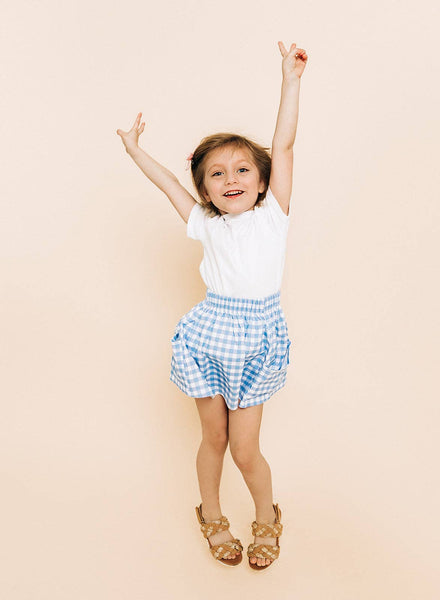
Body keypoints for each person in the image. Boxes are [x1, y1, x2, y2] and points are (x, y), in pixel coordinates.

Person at [117, 40, 308, 569]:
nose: (231, 179)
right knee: (214, 439)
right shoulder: (204, 221)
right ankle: (213, 514)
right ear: (205, 189)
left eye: (242, 170)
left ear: (263, 181)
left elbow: (284, 146)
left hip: (257, 339)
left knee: (247, 450)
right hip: (209, 335)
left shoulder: (273, 216)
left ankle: (266, 517)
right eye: (217, 174)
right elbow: (169, 186)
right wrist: (135, 150)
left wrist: (290, 81)